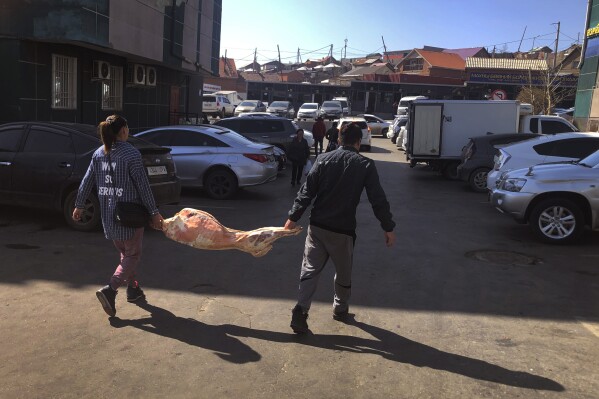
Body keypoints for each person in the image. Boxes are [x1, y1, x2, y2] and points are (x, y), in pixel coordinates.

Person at [284, 123, 396, 334]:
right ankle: (340, 308)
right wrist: (388, 227)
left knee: (309, 269)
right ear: (358, 142)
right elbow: (377, 199)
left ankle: (300, 311)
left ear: (338, 140)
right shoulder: (365, 165)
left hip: (317, 227)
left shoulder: (322, 159)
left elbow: (306, 191)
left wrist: (293, 217)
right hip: (342, 231)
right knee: (343, 273)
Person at [72, 115, 164, 318]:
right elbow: (143, 186)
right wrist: (154, 212)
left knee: (125, 255)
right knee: (132, 255)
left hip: (108, 214)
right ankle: (110, 289)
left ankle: (133, 290)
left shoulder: (98, 154)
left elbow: (87, 181)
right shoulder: (131, 154)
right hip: (130, 216)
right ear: (123, 131)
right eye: (127, 127)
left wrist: (79, 206)